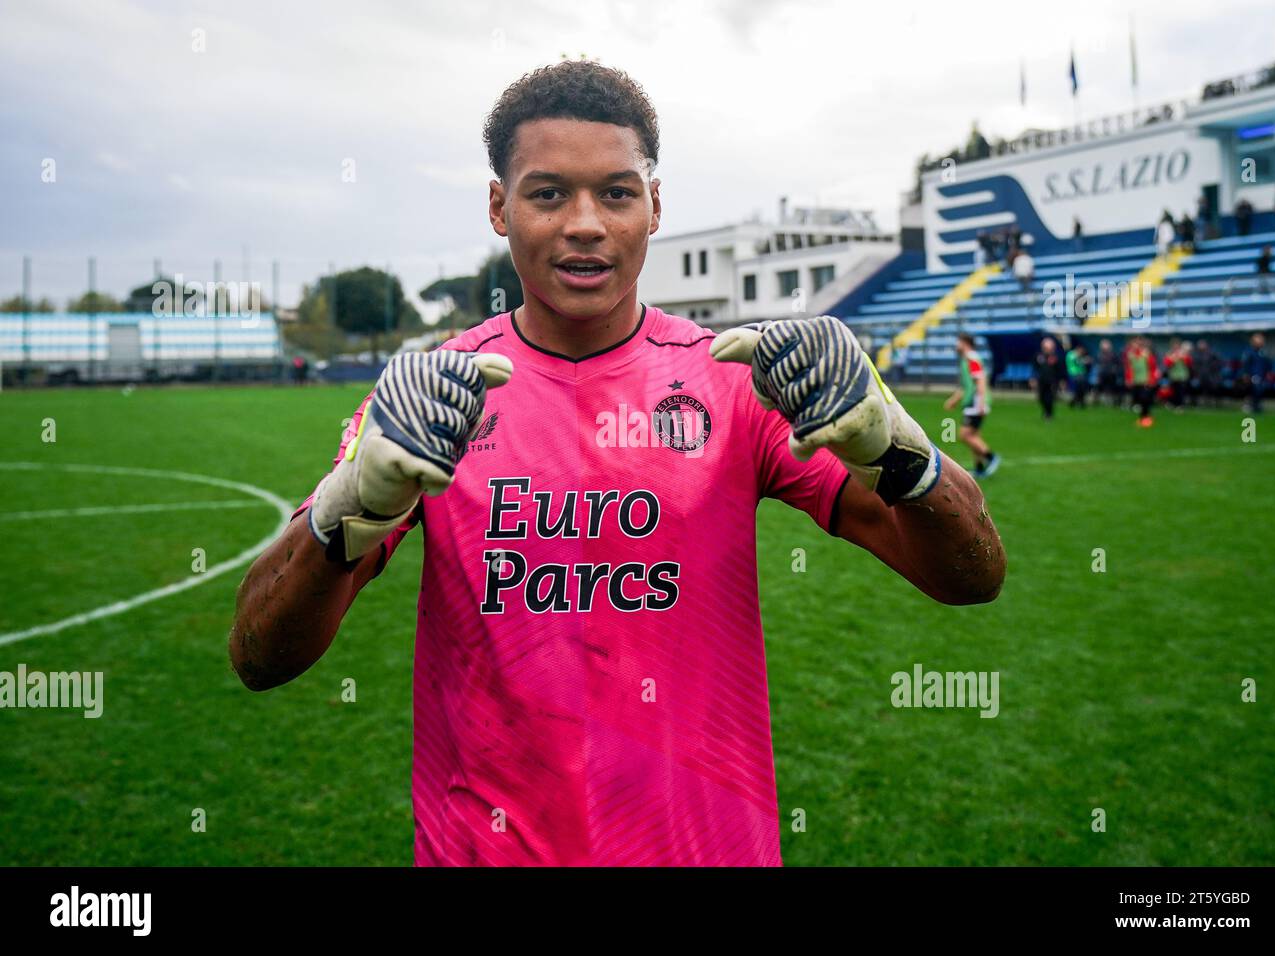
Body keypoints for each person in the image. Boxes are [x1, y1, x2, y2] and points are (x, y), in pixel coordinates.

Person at [226, 60, 1006, 868]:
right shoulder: (432, 401)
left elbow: (972, 576)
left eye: (618, 192)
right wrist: (345, 511)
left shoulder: (737, 383)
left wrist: (904, 457)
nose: (586, 223)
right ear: (500, 207)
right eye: (549, 192)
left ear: (655, 207)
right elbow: (259, 655)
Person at [944, 332, 1000, 478]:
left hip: (976, 403)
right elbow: (966, 386)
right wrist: (953, 400)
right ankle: (979, 467)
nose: (956, 345)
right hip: (973, 402)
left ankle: (991, 457)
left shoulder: (972, 358)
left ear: (965, 343)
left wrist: (981, 403)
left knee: (964, 435)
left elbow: (980, 380)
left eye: (958, 342)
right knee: (974, 435)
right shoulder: (966, 360)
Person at [1124, 336, 1159, 427]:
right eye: (1134, 343)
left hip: (1146, 381)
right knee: (1139, 400)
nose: (1135, 345)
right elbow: (1129, 368)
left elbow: (1152, 367)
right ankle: (1143, 418)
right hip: (1136, 381)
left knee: (1145, 399)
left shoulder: (1147, 354)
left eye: (1137, 343)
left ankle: (1146, 418)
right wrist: (1128, 379)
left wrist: (1152, 380)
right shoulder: (1130, 355)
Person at [1032, 336, 1064, 420]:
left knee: (1050, 398)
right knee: (1041, 397)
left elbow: (1060, 370)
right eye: (1045, 347)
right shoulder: (1038, 356)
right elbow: (1034, 368)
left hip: (1052, 381)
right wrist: (1033, 379)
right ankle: (1045, 411)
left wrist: (1061, 381)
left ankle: (1049, 413)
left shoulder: (1056, 358)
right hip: (1041, 380)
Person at [1190, 339, 1222, 407]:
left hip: (1212, 375)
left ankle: (1213, 401)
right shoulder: (1196, 354)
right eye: (1200, 345)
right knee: (1197, 387)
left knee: (1214, 387)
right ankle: (1199, 402)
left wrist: (1212, 368)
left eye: (1202, 344)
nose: (1201, 346)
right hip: (1200, 376)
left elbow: (1218, 363)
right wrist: (1197, 371)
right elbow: (1194, 365)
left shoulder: (1212, 353)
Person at [1243, 331, 1269, 414]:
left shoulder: (1262, 352)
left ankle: (1257, 406)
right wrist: (1246, 375)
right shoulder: (1249, 352)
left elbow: (1266, 364)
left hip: (1262, 375)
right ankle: (1252, 406)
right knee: (1255, 390)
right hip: (1253, 375)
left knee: (1260, 391)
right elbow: (1246, 365)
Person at [1163, 338, 1191, 412]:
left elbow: (1189, 363)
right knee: (1173, 391)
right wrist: (1173, 359)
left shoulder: (1184, 353)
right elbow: (1167, 363)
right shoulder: (1169, 353)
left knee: (1180, 391)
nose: (1175, 347)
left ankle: (1180, 405)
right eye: (1174, 345)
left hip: (1182, 375)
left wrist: (1182, 357)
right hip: (1173, 375)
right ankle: (1173, 404)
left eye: (1177, 345)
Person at [1095, 338, 1123, 406]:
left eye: (1106, 345)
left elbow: (1119, 363)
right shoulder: (1099, 354)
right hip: (1102, 374)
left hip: (1111, 374)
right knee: (1100, 388)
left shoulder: (1113, 354)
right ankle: (1098, 401)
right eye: (1103, 345)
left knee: (1112, 388)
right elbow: (1097, 363)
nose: (1105, 347)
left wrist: (1114, 369)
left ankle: (1114, 401)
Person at [1066, 342, 1092, 408]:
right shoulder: (1071, 354)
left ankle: (1079, 402)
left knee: (1081, 389)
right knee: (1078, 389)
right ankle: (1077, 402)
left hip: (1081, 374)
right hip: (1074, 374)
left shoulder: (1079, 355)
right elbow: (1077, 362)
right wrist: (1085, 360)